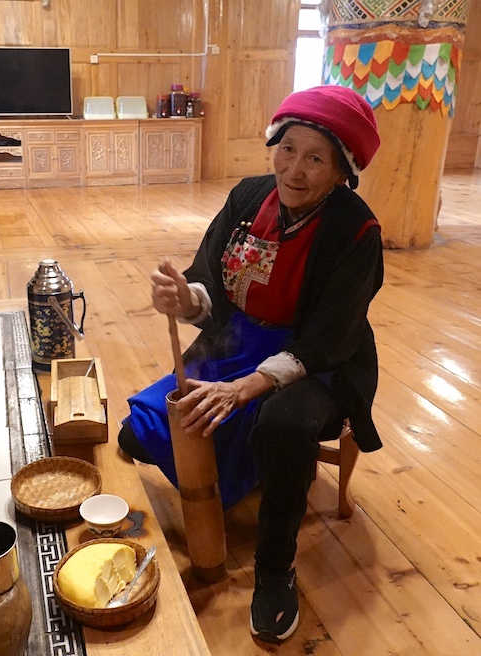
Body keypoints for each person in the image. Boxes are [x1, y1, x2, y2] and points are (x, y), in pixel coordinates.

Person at [118, 85, 384, 644]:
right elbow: (209, 281)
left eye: (316, 158)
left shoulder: (356, 231)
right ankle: (255, 462)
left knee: (282, 426)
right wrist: (183, 299)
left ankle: (273, 567)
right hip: (238, 340)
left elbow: (330, 336)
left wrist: (247, 388)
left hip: (319, 359)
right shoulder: (248, 198)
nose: (295, 170)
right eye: (287, 149)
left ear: (342, 172)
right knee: (139, 434)